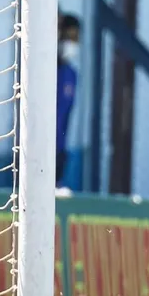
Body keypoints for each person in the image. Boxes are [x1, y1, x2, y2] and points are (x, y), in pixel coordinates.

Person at [56, 13, 81, 186]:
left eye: (75, 38)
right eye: (68, 37)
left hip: (59, 152)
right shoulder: (45, 70)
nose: (71, 43)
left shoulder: (71, 75)